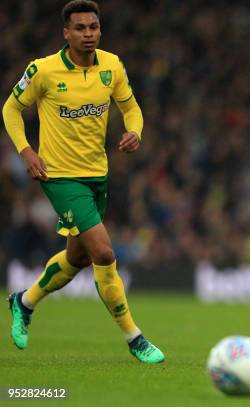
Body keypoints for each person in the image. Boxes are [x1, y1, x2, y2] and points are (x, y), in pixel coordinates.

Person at [3, 0, 164, 363]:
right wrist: (26, 151)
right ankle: (134, 337)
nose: (88, 34)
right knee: (104, 253)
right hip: (59, 176)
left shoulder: (112, 65)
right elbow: (10, 109)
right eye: (80, 28)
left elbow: (131, 106)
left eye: (93, 27)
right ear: (66, 33)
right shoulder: (42, 70)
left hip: (97, 174)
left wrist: (135, 131)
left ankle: (23, 301)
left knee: (76, 258)